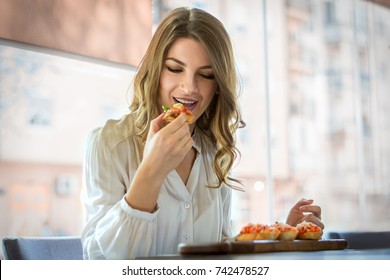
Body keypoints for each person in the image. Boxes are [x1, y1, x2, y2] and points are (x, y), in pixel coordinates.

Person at [81, 7, 324, 260]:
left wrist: (281, 235)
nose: (190, 88)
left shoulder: (213, 150)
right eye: (175, 69)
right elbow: (99, 261)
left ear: (218, 85)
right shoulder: (108, 144)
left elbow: (219, 250)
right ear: (155, 71)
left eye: (206, 75)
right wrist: (151, 171)